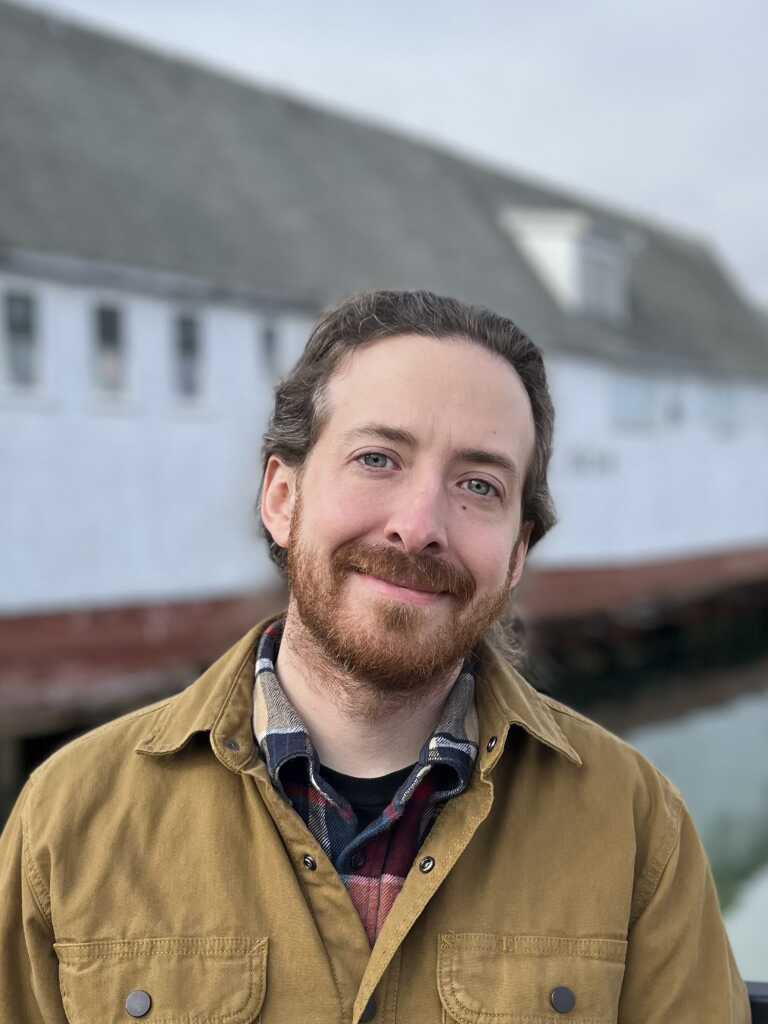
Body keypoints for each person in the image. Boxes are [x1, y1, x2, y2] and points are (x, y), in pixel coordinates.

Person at [0, 290, 749, 1022]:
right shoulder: (68, 821)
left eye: (479, 484)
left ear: (517, 554)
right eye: (378, 459)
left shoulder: (637, 826)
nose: (419, 525)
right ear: (282, 498)